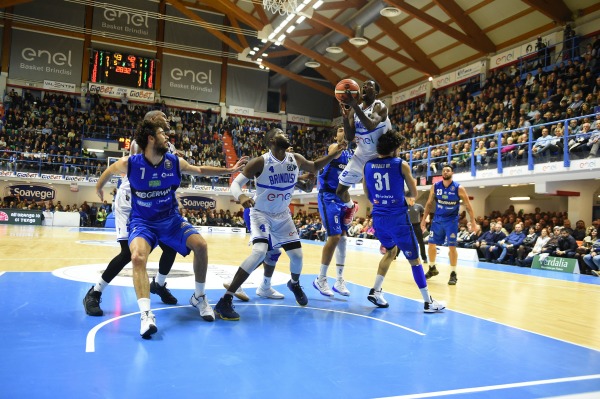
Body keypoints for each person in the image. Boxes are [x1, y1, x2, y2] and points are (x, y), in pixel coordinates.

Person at [94, 120, 247, 338]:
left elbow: (201, 170)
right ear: (150, 138)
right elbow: (109, 170)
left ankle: (199, 297)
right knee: (137, 257)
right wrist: (99, 186)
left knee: (201, 245)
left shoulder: (173, 162)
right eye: (162, 133)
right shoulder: (131, 164)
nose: (167, 137)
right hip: (143, 222)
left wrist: (229, 169)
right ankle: (146, 316)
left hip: (170, 220)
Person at [214, 127, 346, 321]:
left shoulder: (296, 159)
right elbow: (234, 184)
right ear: (271, 142)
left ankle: (293, 283)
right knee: (260, 251)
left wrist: (333, 155)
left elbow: (315, 166)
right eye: (279, 133)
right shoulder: (260, 162)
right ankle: (225, 300)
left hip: (283, 216)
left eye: (284, 131)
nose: (284, 133)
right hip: (261, 213)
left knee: (298, 256)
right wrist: (241, 195)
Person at [83, 111, 182, 317]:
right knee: (128, 254)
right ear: (153, 123)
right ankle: (95, 292)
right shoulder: (143, 142)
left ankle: (159, 285)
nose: (167, 120)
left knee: (171, 245)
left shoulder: (167, 145)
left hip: (154, 202)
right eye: (163, 118)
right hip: (130, 201)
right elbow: (118, 167)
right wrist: (100, 185)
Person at [363, 130, 444, 312]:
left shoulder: (367, 165)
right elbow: (414, 194)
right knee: (415, 260)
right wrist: (400, 195)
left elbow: (368, 193)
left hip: (378, 218)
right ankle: (428, 302)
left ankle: (376, 290)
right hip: (397, 219)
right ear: (394, 149)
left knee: (390, 252)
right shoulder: (401, 164)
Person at [336, 79, 392, 225]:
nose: (365, 87)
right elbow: (349, 137)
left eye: (369, 86)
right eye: (363, 86)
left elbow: (370, 125)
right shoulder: (354, 110)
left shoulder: (380, 106)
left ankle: (386, 219)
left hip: (379, 156)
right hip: (360, 155)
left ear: (376, 92)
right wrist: (345, 116)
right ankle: (351, 207)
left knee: (376, 195)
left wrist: (354, 105)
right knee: (340, 191)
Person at [313, 126, 352, 297]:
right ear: (336, 135)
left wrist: (350, 203)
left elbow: (347, 182)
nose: (342, 132)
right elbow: (334, 151)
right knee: (334, 236)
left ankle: (340, 280)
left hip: (341, 196)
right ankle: (321, 278)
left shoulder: (353, 155)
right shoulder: (333, 148)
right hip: (327, 196)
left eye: (346, 130)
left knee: (343, 238)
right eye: (340, 130)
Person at [421, 165, 476, 285]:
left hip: (451, 221)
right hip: (437, 219)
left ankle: (453, 273)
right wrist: (423, 219)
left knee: (452, 247)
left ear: (452, 173)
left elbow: (468, 206)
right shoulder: (435, 186)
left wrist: (473, 221)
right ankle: (432, 268)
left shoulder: (459, 188)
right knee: (431, 245)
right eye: (444, 170)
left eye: (448, 170)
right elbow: (429, 203)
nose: (445, 172)